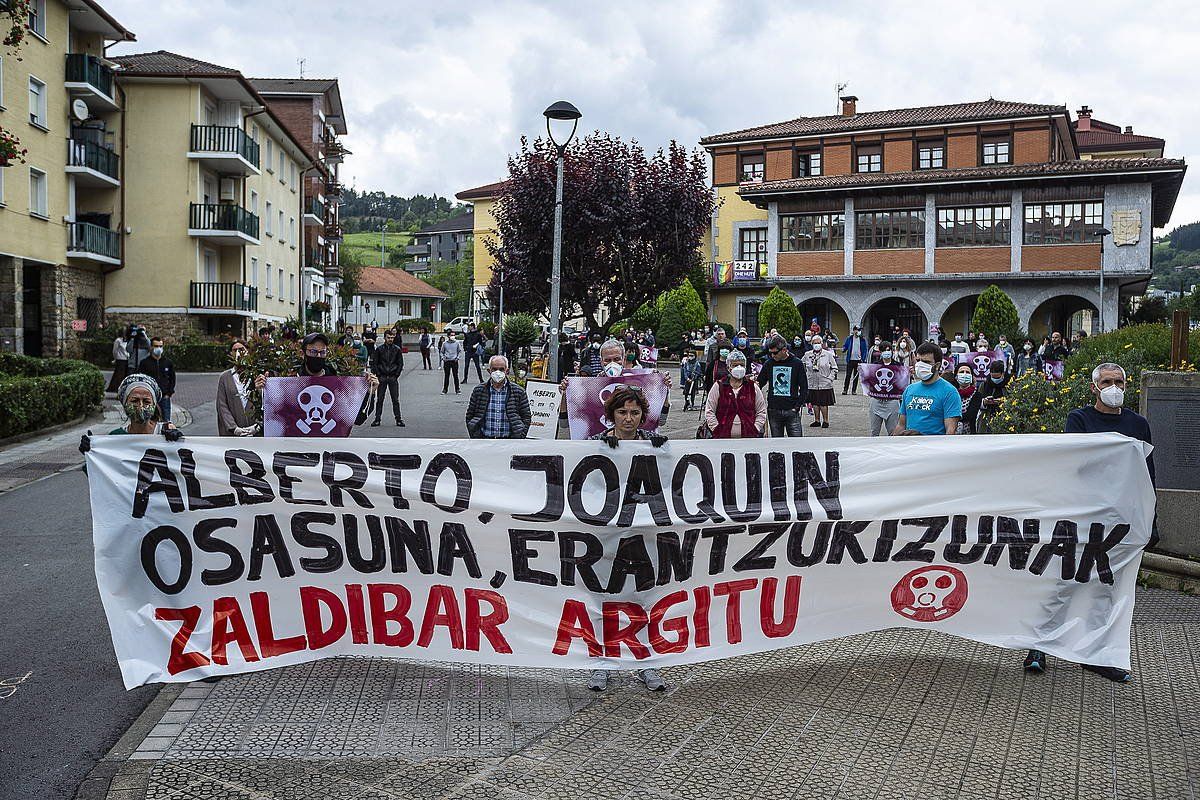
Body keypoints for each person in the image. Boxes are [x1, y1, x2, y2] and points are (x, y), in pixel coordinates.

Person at [1024, 362, 1153, 683]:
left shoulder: (1139, 424)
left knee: (1107, 587)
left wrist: (1152, 519)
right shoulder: (1079, 420)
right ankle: (1037, 645)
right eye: (1107, 381)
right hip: (1083, 513)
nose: (1114, 387)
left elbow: (1148, 473)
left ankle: (1095, 653)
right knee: (1064, 579)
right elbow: (1075, 463)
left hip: (1120, 518)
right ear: (1094, 387)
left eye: (1120, 381)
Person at [584, 385, 667, 693]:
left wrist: (664, 449)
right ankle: (602, 663)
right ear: (611, 415)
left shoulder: (654, 444)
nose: (628, 419)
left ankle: (646, 662)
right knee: (603, 599)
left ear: (643, 416)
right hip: (605, 536)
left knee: (644, 598)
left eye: (634, 413)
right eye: (622, 412)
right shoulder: (595, 445)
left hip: (642, 535)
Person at [895, 342, 962, 435]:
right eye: (918, 360)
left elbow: (950, 431)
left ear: (937, 365)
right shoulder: (909, 389)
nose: (920, 365)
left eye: (926, 362)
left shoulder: (950, 392)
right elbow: (901, 425)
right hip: (909, 447)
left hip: (933, 448)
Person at [465, 355, 531, 439]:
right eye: (494, 369)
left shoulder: (518, 392)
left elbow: (526, 417)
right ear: (489, 371)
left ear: (507, 371)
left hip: (509, 441)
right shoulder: (479, 391)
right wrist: (475, 435)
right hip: (484, 440)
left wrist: (519, 436)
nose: (498, 372)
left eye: (501, 369)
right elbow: (470, 415)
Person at [704, 351, 766, 438]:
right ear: (728, 367)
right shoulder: (719, 386)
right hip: (722, 438)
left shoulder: (753, 387)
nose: (739, 368)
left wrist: (755, 428)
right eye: (735, 365)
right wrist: (717, 429)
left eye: (741, 365)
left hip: (749, 437)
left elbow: (761, 411)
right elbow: (709, 411)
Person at [758, 334, 807, 437]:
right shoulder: (769, 363)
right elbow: (760, 383)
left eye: (775, 353)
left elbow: (804, 387)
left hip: (791, 409)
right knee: (777, 445)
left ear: (784, 350)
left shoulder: (797, 363)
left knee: (796, 444)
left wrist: (797, 406)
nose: (772, 356)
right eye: (770, 353)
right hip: (774, 409)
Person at [107, 374, 181, 438]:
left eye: (146, 401)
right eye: (134, 401)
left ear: (154, 405)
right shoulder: (116, 436)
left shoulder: (165, 432)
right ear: (125, 404)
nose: (140, 406)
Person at [216, 339, 257, 436]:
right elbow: (222, 406)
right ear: (231, 353)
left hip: (255, 434)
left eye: (241, 349)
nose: (238, 353)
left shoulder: (257, 374)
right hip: (233, 434)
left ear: (248, 351)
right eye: (235, 350)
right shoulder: (224, 378)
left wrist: (257, 426)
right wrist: (234, 428)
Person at [369, 329, 406, 427]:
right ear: (385, 338)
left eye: (392, 338)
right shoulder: (379, 349)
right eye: (388, 337)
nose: (390, 339)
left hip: (392, 377)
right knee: (380, 399)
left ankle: (398, 419)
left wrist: (396, 375)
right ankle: (377, 419)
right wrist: (378, 374)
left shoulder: (397, 349)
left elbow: (400, 363)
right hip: (383, 377)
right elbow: (375, 363)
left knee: (395, 400)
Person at [962, 360, 1009, 434]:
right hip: (986, 419)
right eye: (993, 377)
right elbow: (977, 403)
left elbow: (1014, 401)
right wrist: (985, 401)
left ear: (1003, 374)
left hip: (1005, 419)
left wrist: (1003, 401)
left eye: (997, 377)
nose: (995, 380)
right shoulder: (984, 385)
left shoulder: (1010, 385)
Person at [137, 337, 176, 423]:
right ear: (151, 347)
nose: (158, 348)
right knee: (148, 421)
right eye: (156, 346)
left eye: (160, 346)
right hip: (149, 397)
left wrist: (169, 393)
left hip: (164, 397)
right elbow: (141, 380)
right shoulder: (144, 363)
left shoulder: (167, 362)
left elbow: (172, 378)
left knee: (166, 421)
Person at [801, 336, 837, 429]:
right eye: (814, 343)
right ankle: (817, 420)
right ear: (812, 344)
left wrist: (830, 378)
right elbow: (801, 365)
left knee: (823, 403)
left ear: (822, 344)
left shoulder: (828, 354)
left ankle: (825, 420)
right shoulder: (807, 354)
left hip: (824, 382)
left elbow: (834, 368)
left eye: (818, 343)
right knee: (815, 402)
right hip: (812, 382)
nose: (816, 345)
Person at [866, 346, 902, 437]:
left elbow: (902, 382)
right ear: (880, 352)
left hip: (892, 401)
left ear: (892, 351)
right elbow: (870, 381)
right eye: (884, 350)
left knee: (893, 431)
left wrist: (909, 373)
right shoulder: (875, 365)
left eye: (888, 350)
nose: (886, 352)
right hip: (876, 401)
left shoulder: (898, 365)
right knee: (874, 431)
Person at [841, 325, 868, 395]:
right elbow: (845, 346)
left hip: (858, 360)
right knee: (848, 375)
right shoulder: (849, 338)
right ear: (854, 331)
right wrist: (843, 349)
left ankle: (854, 390)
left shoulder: (862, 340)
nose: (858, 332)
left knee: (856, 376)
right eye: (857, 330)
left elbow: (865, 350)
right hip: (850, 360)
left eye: (859, 330)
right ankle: (845, 389)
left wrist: (863, 359)